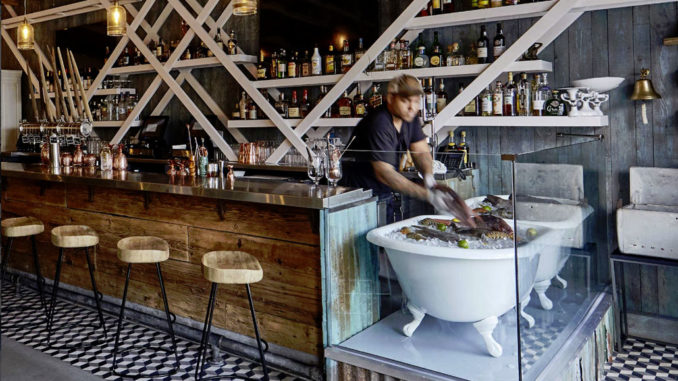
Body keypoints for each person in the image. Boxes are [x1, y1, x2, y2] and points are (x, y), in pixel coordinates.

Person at [341, 74, 474, 225]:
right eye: (405, 101)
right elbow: (385, 173)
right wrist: (428, 195)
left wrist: (429, 179)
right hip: (356, 196)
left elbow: (421, 152)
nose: (412, 107)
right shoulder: (379, 122)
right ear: (390, 98)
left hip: (382, 193)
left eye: (416, 102)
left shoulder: (409, 118)